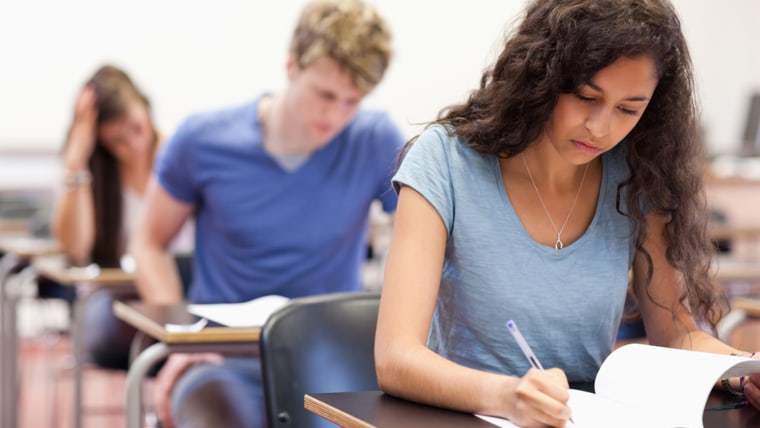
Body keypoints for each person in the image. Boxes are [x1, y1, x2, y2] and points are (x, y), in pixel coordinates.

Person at [373, 0, 760, 426]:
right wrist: (507, 395)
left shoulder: (639, 172)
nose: (601, 127)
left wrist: (744, 370)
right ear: (540, 77)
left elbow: (678, 333)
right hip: (470, 414)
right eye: (585, 97)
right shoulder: (445, 161)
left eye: (628, 109)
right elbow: (396, 358)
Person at [130, 0, 403, 426]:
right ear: (291, 65)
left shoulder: (373, 140)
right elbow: (148, 242)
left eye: (353, 101)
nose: (336, 114)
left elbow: (428, 238)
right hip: (221, 359)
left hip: (328, 363)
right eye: (325, 94)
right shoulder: (202, 141)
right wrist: (185, 341)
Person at [51, 65, 193, 370]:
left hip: (179, 292)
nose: (134, 144)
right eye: (117, 140)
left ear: (146, 109)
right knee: (119, 325)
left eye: (137, 128)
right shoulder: (96, 175)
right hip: (116, 303)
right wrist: (76, 162)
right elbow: (75, 248)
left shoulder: (178, 154)